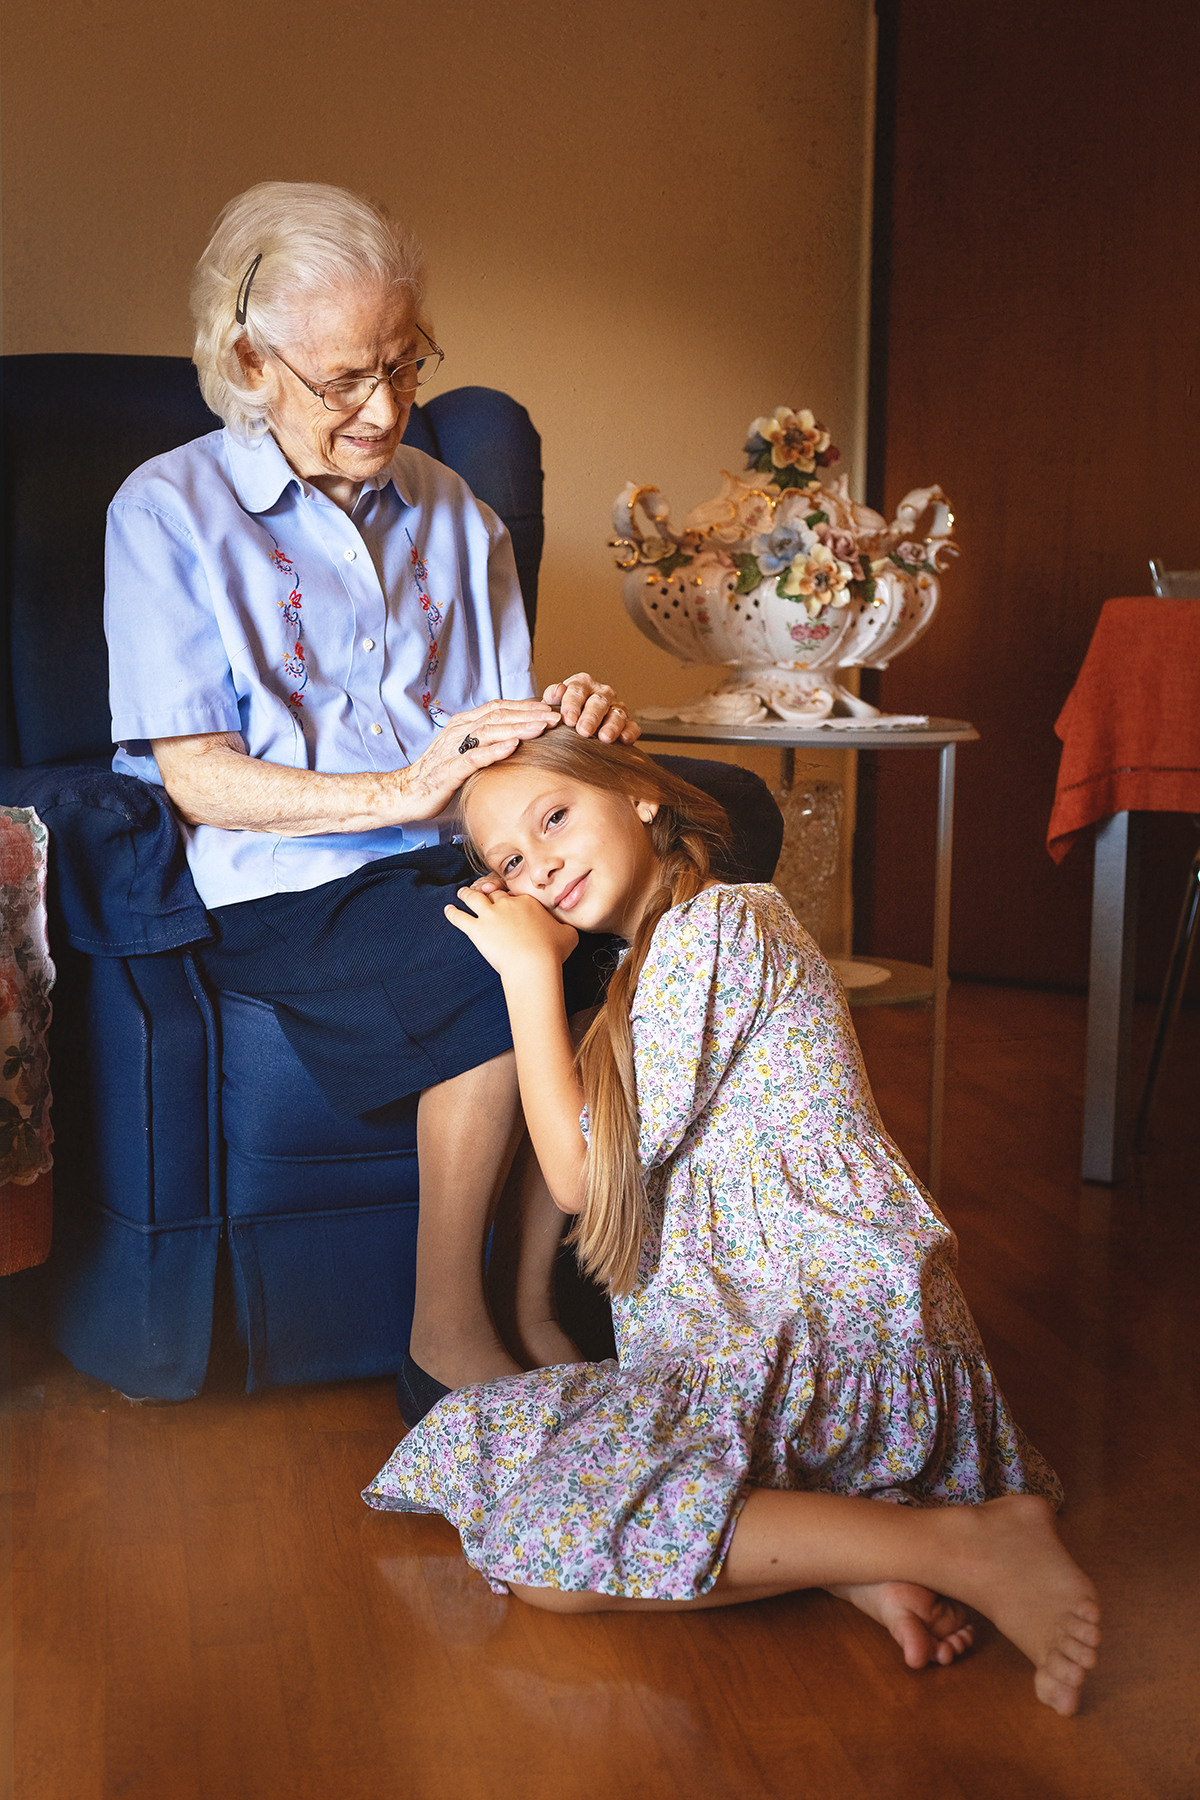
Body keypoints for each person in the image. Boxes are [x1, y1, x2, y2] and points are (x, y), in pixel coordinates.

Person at [363, 732, 1101, 1717]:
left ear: (641, 799)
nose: (535, 864)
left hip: (830, 1346)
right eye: (506, 863)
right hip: (743, 1357)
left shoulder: (724, 927)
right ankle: (853, 1561)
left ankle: (964, 1543)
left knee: (552, 1548)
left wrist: (526, 975)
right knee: (521, 1515)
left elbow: (578, 1179)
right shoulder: (639, 981)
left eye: (553, 819)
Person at [103, 180, 640, 1416]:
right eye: (347, 378)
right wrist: (399, 787)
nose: (389, 408)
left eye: (407, 364)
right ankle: (446, 1329)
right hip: (286, 880)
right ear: (249, 358)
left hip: (459, 852)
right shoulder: (167, 512)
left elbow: (503, 750)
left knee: (623, 922)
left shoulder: (456, 510)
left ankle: (539, 1306)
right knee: (488, 961)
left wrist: (574, 742)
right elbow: (193, 776)